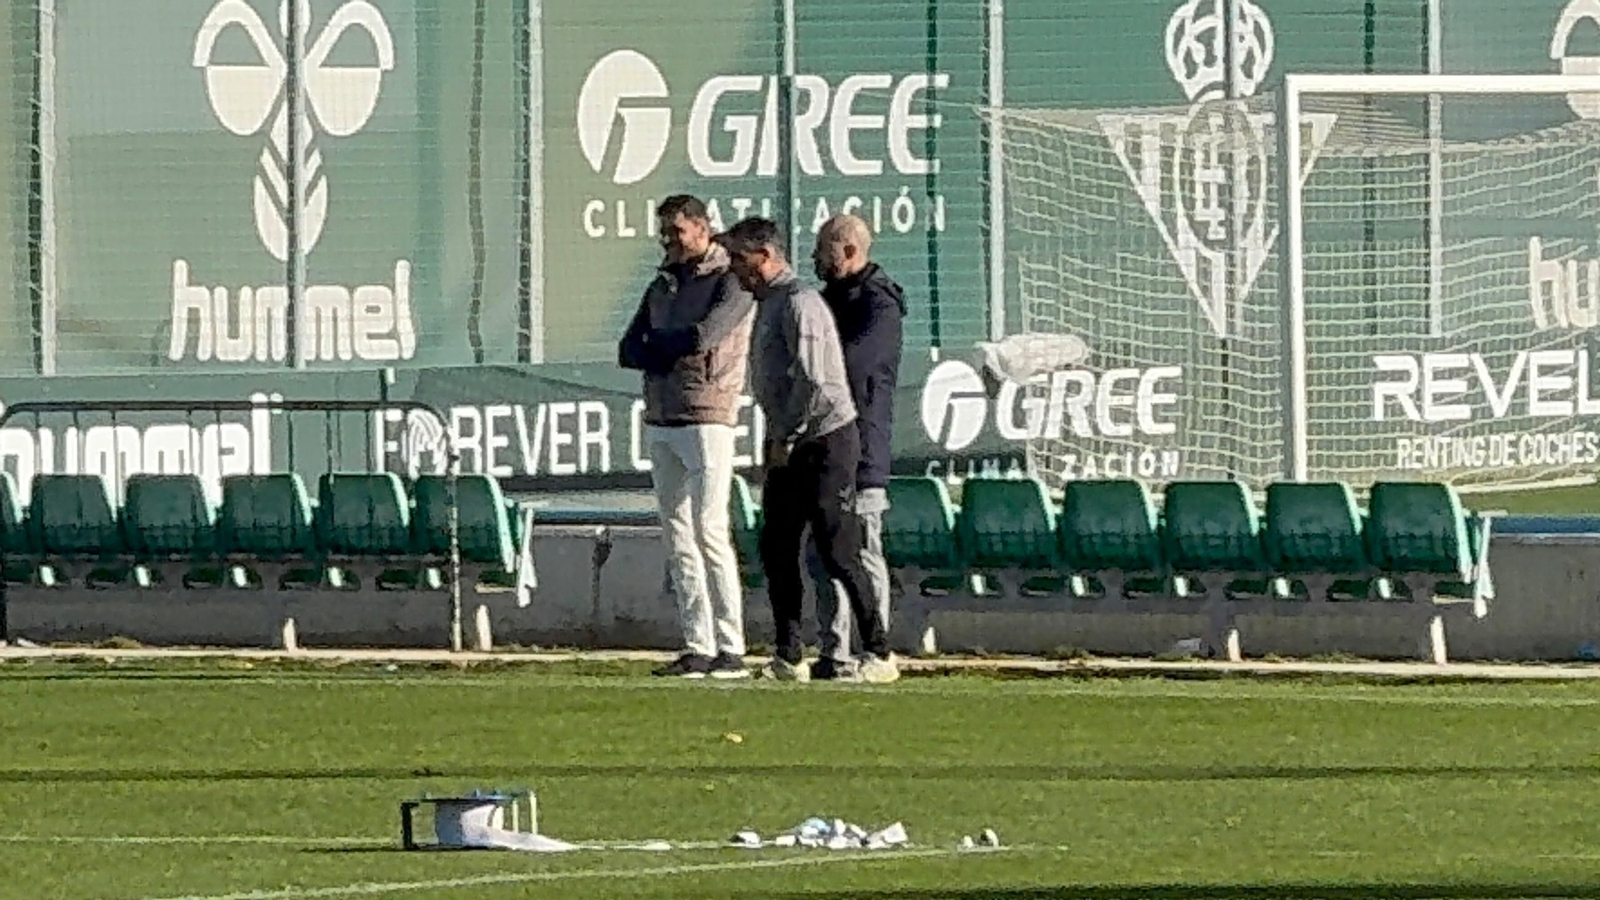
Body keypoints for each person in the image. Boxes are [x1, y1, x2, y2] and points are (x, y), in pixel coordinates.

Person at [716, 217, 898, 685]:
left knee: (839, 549)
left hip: (824, 440)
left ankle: (880, 652)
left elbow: (815, 381)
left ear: (764, 256)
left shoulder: (800, 301)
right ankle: (788, 653)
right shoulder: (770, 301)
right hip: (789, 439)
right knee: (777, 546)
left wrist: (788, 436)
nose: (732, 268)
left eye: (738, 257)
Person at [618, 196, 755, 680]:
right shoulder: (663, 281)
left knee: (710, 529)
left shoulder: (730, 279)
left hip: (708, 414)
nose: (669, 240)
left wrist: (660, 347)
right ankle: (696, 643)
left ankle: (731, 645)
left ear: (702, 228)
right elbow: (629, 346)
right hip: (661, 415)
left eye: (677, 230)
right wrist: (660, 349)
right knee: (677, 535)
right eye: (665, 232)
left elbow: (703, 337)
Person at [803, 215, 905, 681]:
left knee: (862, 549)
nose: (815, 258)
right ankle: (834, 651)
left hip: (862, 450)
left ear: (847, 251)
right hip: (821, 447)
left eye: (823, 249)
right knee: (822, 553)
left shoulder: (879, 304)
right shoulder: (826, 302)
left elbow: (856, 368)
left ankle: (876, 651)